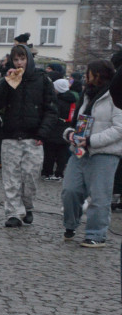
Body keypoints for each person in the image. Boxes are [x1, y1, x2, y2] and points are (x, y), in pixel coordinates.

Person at [0, 44, 57, 227]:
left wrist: (42, 133)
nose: (20, 63)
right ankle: (13, 212)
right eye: (16, 59)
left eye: (22, 59)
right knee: (11, 178)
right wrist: (5, 83)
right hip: (10, 135)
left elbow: (51, 109)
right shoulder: (9, 79)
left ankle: (27, 206)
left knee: (30, 177)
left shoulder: (42, 80)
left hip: (33, 136)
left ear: (29, 59)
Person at [62, 60, 122, 247]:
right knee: (70, 190)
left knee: (99, 196)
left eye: (88, 73)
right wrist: (70, 134)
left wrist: (92, 140)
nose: (85, 77)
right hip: (79, 151)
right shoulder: (86, 95)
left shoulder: (115, 96)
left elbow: (119, 128)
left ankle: (96, 233)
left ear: (97, 74)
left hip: (104, 153)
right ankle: (70, 224)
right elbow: (74, 123)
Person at [42, 78, 76, 181]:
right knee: (62, 153)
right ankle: (59, 173)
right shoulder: (72, 100)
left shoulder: (56, 101)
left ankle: (47, 172)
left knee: (50, 152)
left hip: (54, 128)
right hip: (67, 129)